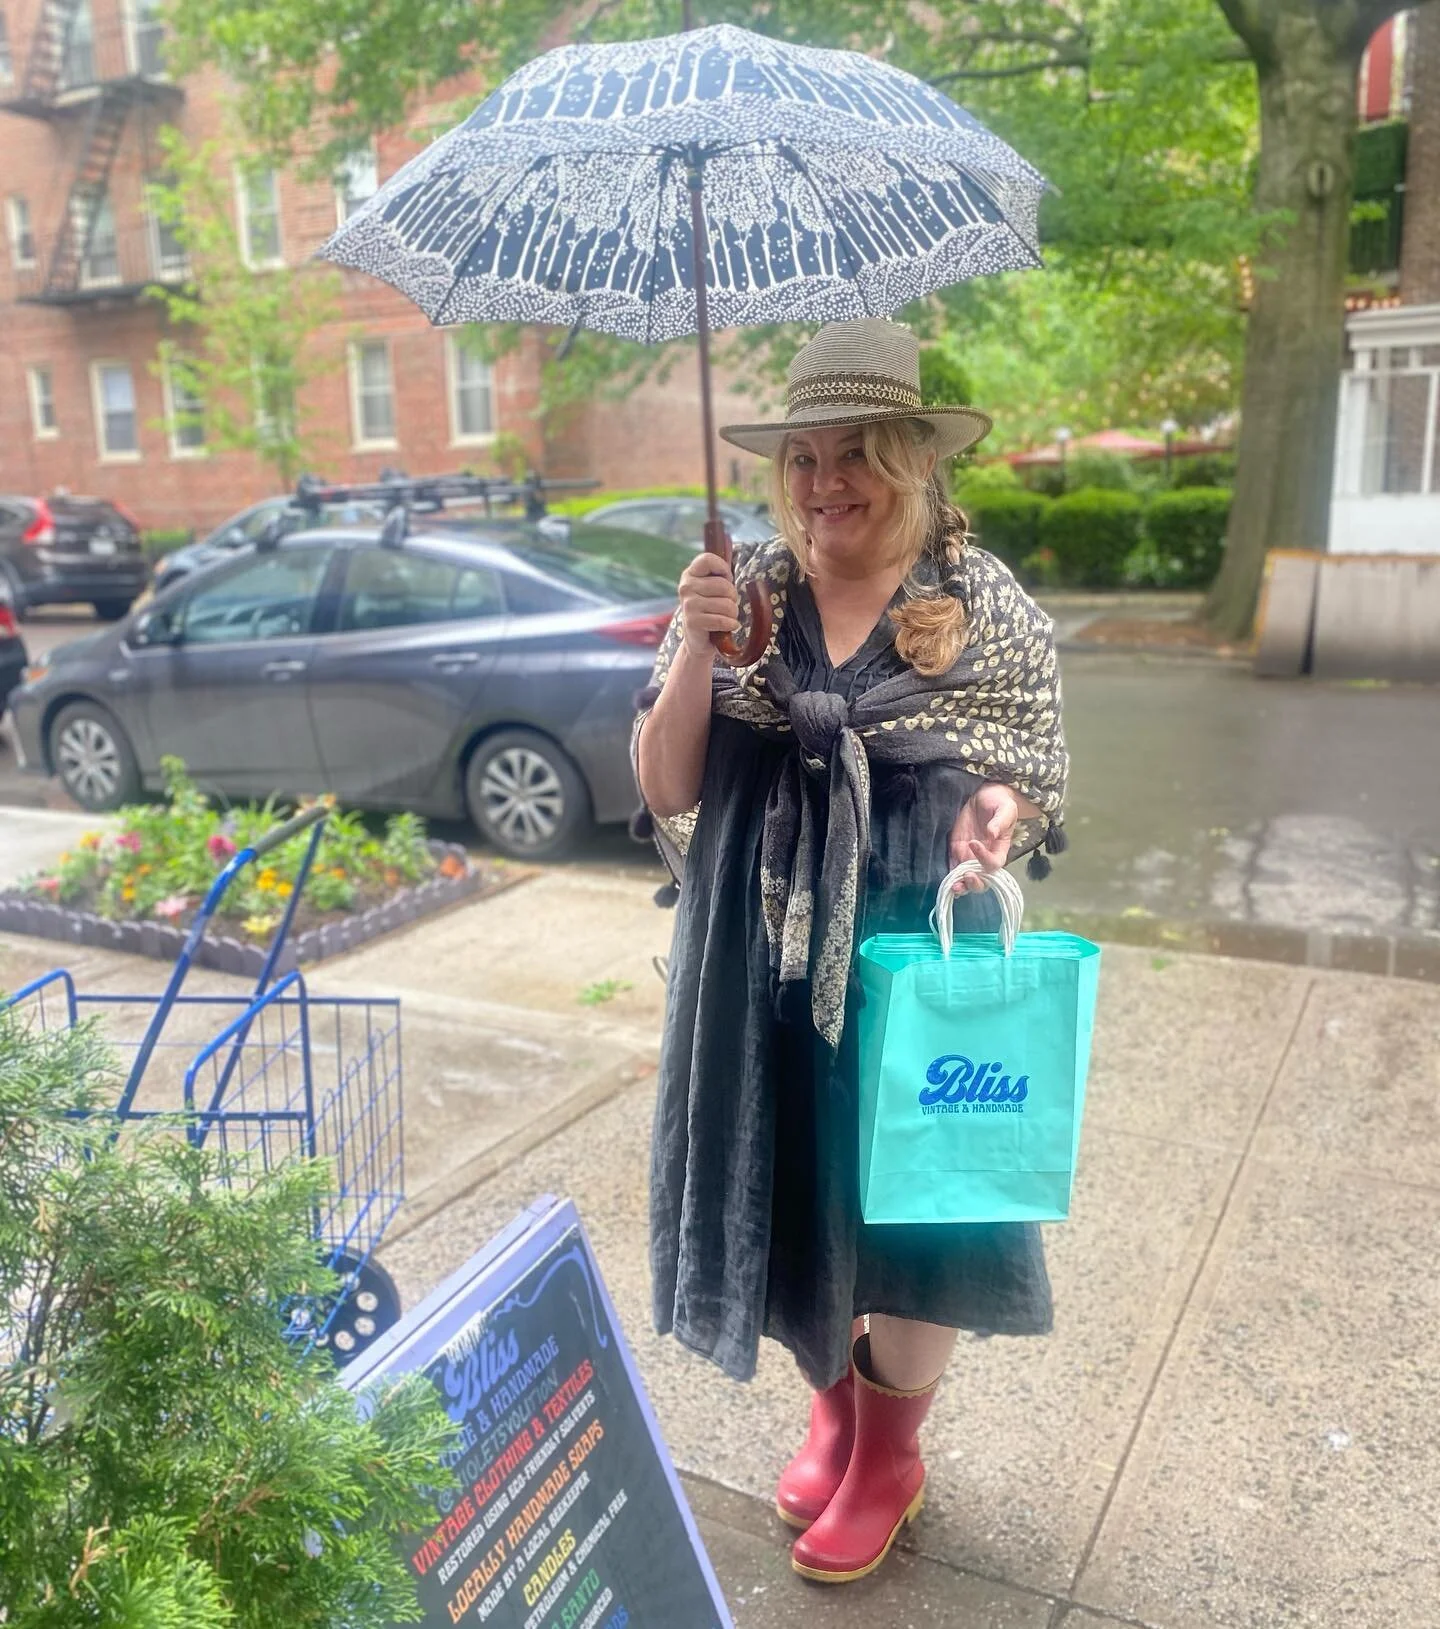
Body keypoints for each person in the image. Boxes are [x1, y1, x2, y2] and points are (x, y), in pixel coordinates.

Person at [633, 317, 1069, 1584]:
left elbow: (1026, 774)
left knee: (924, 1194)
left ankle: (891, 1455)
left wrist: (1002, 815)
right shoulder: (743, 582)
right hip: (759, 937)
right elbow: (667, 784)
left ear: (914, 459)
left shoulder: (978, 598)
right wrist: (697, 655)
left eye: (857, 455)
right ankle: (834, 1412)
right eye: (805, 457)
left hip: (916, 940)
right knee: (794, 1178)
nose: (826, 484)